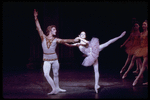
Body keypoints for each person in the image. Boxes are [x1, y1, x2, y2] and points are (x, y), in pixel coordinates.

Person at [34, 9, 79, 95]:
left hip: (54, 59)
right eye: (54, 30)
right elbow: (39, 28)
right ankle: (54, 89)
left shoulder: (56, 39)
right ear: (50, 30)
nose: (56, 31)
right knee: (46, 74)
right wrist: (36, 18)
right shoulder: (43, 37)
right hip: (46, 59)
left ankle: (57, 88)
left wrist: (74, 40)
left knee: (56, 74)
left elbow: (64, 40)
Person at [122, 20, 148, 86]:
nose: (143, 26)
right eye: (143, 24)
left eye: (145, 24)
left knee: (144, 65)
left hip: (146, 49)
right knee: (133, 59)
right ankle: (126, 72)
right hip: (141, 48)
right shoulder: (141, 33)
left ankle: (137, 79)